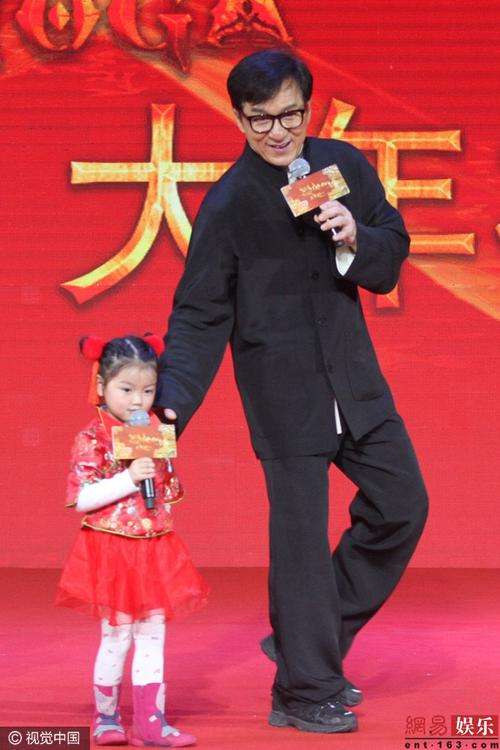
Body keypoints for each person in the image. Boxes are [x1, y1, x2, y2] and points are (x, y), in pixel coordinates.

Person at [155, 49, 428, 734]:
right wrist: (168, 409)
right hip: (284, 397)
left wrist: (355, 235)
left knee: (402, 505)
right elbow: (199, 315)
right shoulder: (229, 204)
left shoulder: (341, 167)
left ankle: (309, 639)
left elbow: (391, 251)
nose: (277, 133)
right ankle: (305, 691)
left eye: (289, 116)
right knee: (301, 547)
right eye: (260, 120)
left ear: (308, 107)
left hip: (356, 385)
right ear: (239, 119)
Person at [56, 334, 209, 747]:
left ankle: (151, 721)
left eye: (147, 391)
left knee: (153, 634)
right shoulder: (92, 437)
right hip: (112, 550)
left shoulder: (154, 432)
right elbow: (83, 498)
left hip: (154, 546)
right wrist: (128, 478)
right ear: (101, 385)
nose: (138, 401)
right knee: (117, 635)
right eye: (126, 390)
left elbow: (167, 493)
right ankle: (106, 717)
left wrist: (160, 462)